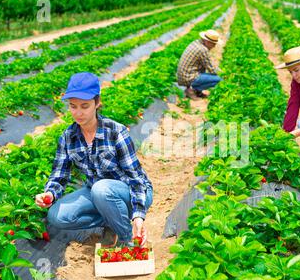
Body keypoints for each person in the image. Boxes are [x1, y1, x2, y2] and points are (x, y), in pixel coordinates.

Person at [35, 72, 153, 247]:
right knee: (57, 216)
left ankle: (127, 238)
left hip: (130, 192)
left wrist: (138, 216)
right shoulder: (68, 137)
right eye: (73, 106)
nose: (78, 113)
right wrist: (50, 193)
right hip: (96, 192)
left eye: (85, 106)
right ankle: (111, 222)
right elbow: (59, 176)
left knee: (101, 189)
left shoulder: (116, 132)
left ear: (97, 103)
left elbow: (136, 179)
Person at [177, 29, 223, 100]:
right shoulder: (203, 50)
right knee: (219, 79)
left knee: (202, 69)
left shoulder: (196, 43)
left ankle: (197, 91)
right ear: (207, 42)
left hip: (184, 76)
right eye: (213, 44)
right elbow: (211, 69)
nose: (214, 46)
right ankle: (192, 90)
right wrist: (224, 74)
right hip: (188, 78)